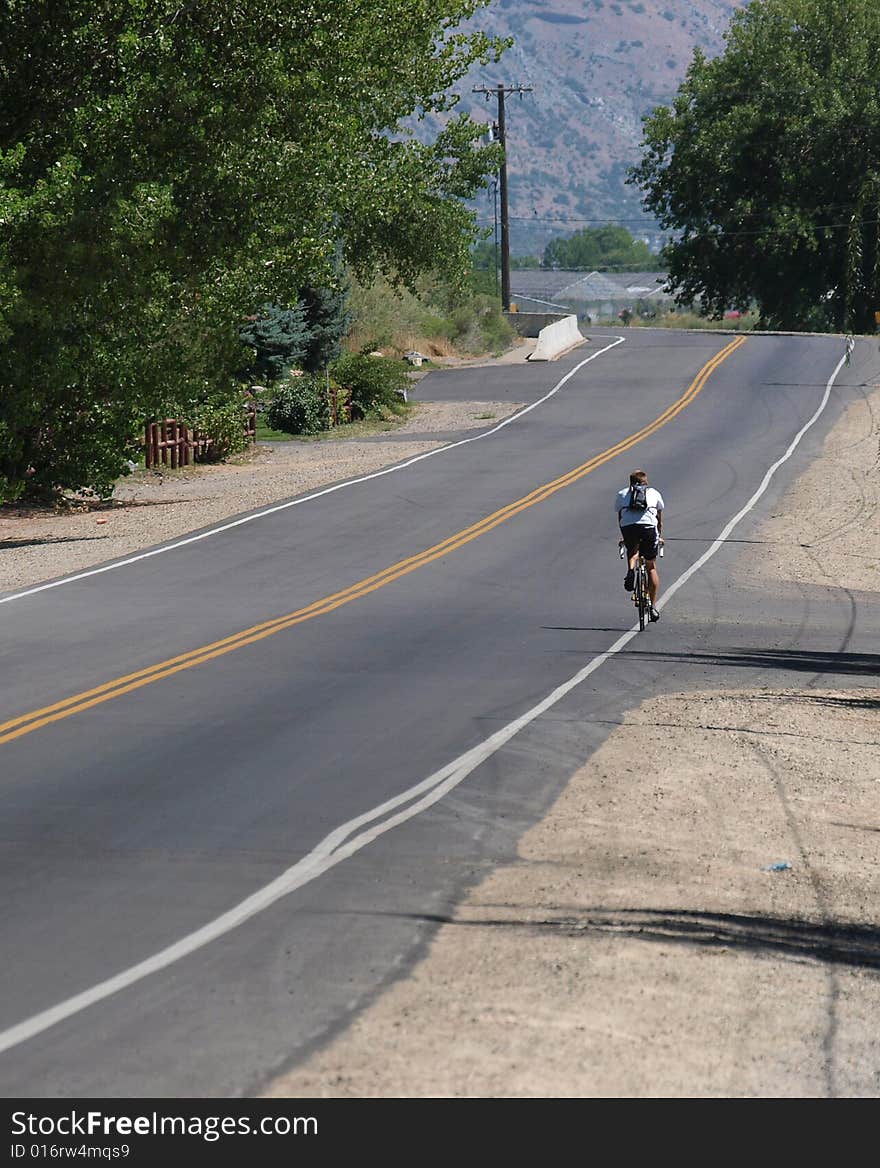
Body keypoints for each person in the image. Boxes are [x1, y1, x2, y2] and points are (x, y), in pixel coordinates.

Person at [615, 469, 664, 622]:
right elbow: (659, 518)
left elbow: (620, 517)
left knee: (633, 551)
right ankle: (653, 606)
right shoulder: (654, 493)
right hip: (649, 528)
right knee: (651, 566)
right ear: (646, 482)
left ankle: (631, 571)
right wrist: (659, 535)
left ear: (630, 483)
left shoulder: (622, 494)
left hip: (629, 528)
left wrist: (625, 536)